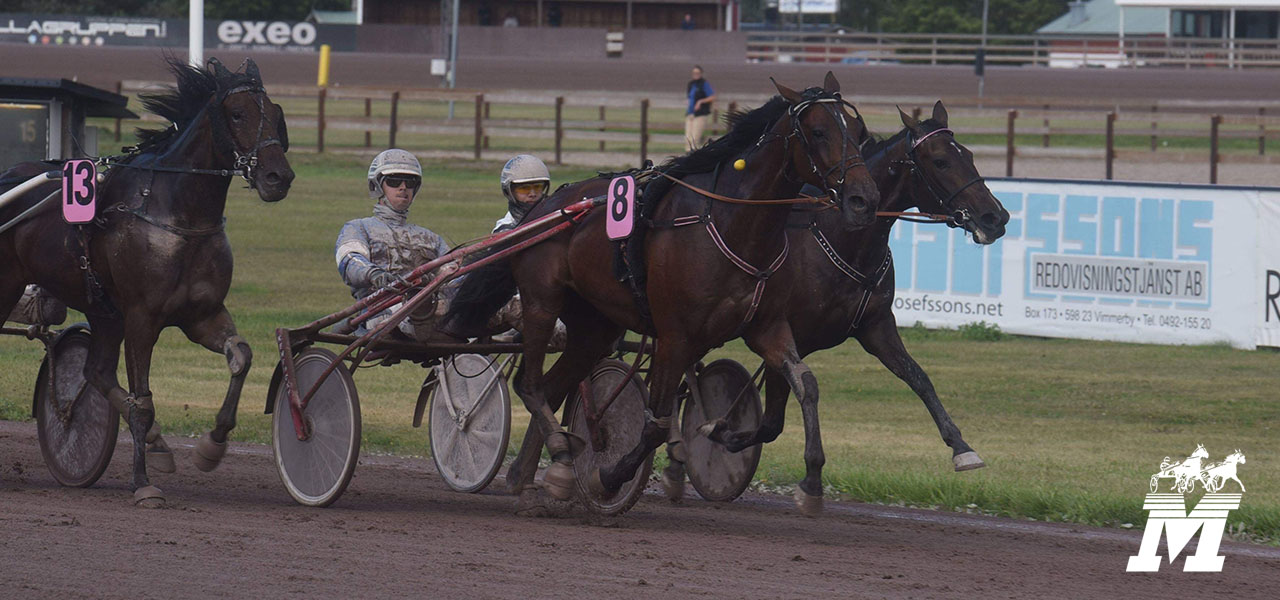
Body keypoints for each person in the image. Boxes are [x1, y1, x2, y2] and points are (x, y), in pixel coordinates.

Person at [335, 149, 452, 342]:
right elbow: (349, 260)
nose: (403, 187)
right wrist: (374, 274)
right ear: (377, 185)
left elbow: (455, 276)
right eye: (394, 181)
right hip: (378, 309)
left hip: (428, 306)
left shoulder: (431, 238)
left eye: (410, 182)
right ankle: (422, 319)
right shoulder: (358, 227)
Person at [493, 154, 551, 233]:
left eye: (537, 187)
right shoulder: (504, 229)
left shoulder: (558, 214)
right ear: (509, 191)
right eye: (524, 188)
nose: (532, 194)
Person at [684, 65, 716, 151]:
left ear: (701, 74)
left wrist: (701, 101)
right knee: (688, 137)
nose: (696, 74)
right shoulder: (691, 84)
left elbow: (712, 97)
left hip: (700, 114)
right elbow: (690, 96)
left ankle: (694, 156)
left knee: (695, 138)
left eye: (697, 73)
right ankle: (687, 156)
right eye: (694, 73)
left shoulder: (704, 84)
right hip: (690, 113)